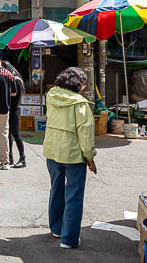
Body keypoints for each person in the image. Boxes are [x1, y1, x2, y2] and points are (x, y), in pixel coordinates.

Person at [43, 67, 97, 250]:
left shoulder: (51, 96)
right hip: (73, 154)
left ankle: (56, 229)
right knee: (73, 196)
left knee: (56, 189)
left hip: (52, 150)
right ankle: (69, 239)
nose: (84, 86)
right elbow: (86, 134)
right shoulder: (80, 104)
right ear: (78, 84)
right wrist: (90, 157)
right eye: (84, 82)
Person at [2, 60, 27, 168]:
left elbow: (14, 95)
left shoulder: (15, 80)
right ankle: (10, 157)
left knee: (15, 134)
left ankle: (22, 158)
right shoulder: (12, 78)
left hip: (14, 109)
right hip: (10, 109)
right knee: (8, 134)